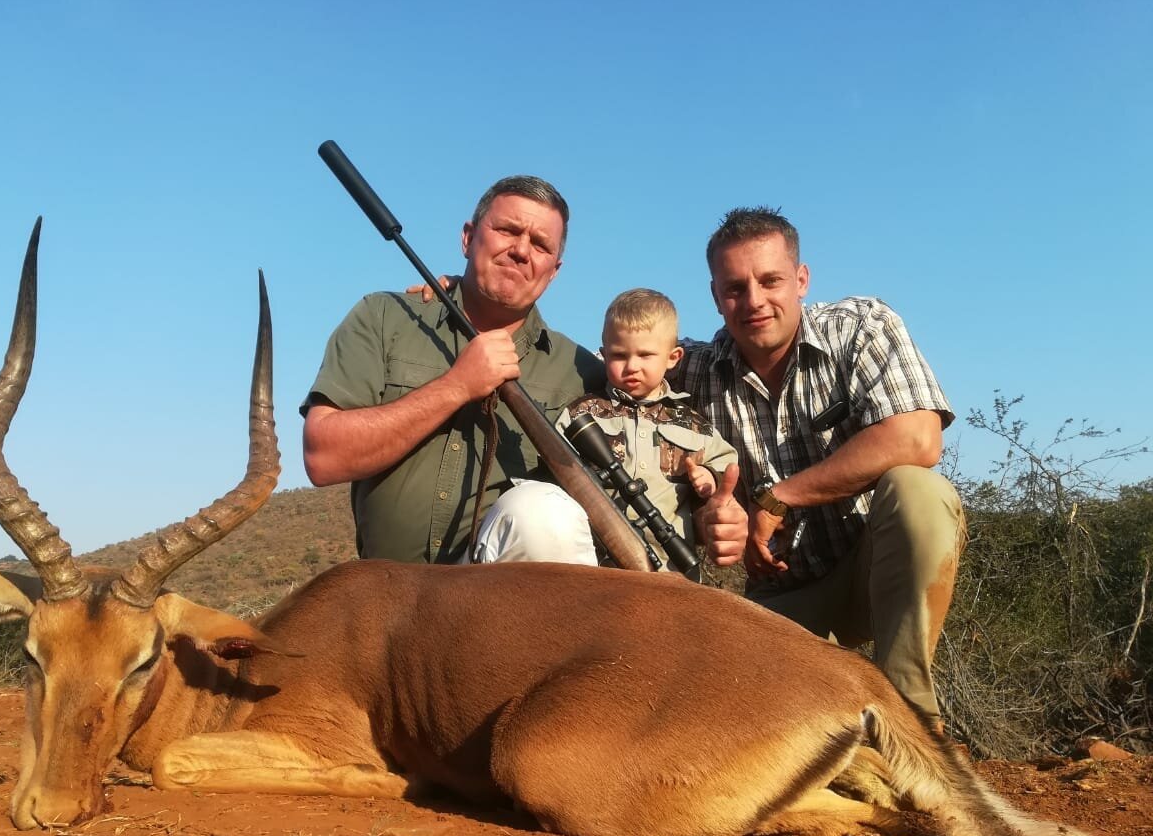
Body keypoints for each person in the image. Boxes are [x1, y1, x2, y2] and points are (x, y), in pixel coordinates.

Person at [675, 207, 963, 727]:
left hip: (872, 575)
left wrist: (778, 497)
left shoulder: (861, 327)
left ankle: (909, 719)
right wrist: (708, 520)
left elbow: (919, 437)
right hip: (778, 607)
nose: (754, 301)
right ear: (716, 297)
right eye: (735, 288)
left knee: (918, 490)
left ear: (802, 280)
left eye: (771, 280)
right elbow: (623, 369)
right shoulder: (689, 371)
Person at [302, 175, 610, 565]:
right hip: (385, 596)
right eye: (507, 230)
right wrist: (456, 386)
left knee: (544, 514)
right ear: (468, 238)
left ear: (554, 270)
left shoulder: (583, 369)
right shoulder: (384, 316)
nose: (520, 251)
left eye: (540, 245)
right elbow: (323, 458)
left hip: (500, 604)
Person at [555, 288, 737, 572]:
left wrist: (710, 478)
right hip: (592, 568)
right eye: (619, 355)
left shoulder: (693, 423)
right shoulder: (579, 414)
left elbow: (727, 464)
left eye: (645, 355)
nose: (632, 367)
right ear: (603, 355)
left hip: (670, 569)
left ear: (673, 357)